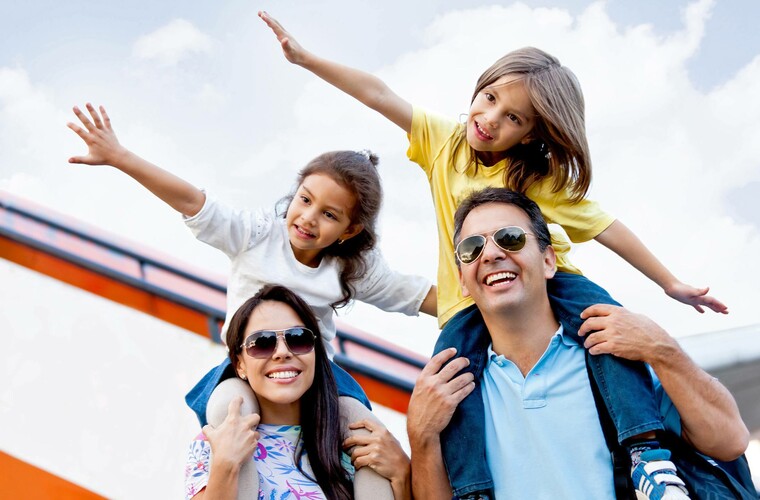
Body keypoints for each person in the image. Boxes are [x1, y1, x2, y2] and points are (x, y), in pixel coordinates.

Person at [257, 12, 728, 497]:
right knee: (449, 385)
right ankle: (474, 490)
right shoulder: (445, 144)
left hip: (554, 283)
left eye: (513, 118)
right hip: (468, 300)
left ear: (531, 135)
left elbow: (608, 228)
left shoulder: (536, 181)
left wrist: (669, 282)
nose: (490, 119)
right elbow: (379, 95)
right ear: (479, 89)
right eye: (490, 99)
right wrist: (306, 59)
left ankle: (645, 455)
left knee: (611, 333)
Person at [66, 104, 429, 498]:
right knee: (227, 412)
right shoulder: (257, 235)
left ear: (350, 229)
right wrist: (121, 157)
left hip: (319, 373)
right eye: (304, 200)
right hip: (245, 370)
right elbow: (194, 203)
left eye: (328, 214)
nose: (308, 218)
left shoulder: (351, 268)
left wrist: (488, 287)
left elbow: (413, 294)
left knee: (367, 434)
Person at [405, 188, 749, 499]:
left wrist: (662, 347)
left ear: (549, 260)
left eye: (509, 238)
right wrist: (420, 436)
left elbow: (729, 441)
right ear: (463, 280)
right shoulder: (454, 393)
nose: (491, 254)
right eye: (472, 247)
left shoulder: (614, 356)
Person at [184, 284, 411, 499]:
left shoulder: (353, 445)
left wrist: (402, 474)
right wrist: (225, 464)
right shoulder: (212, 442)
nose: (282, 352)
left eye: (298, 338)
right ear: (240, 364)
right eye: (262, 342)